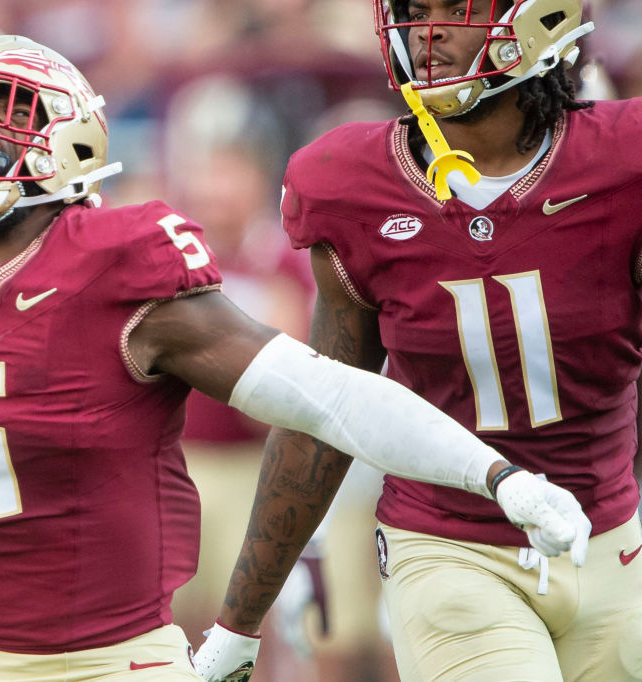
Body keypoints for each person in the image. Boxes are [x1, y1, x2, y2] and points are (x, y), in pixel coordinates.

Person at [0, 35, 590, 681]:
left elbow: (330, 397)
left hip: (111, 662)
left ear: (73, 143)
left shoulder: (118, 272)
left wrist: (498, 478)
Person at [197, 1, 642, 680]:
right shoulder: (353, 185)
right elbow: (326, 409)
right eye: (412, 9)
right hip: (448, 545)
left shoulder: (621, 162)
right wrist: (239, 617)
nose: (422, 31)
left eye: (453, 7)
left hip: (611, 539)